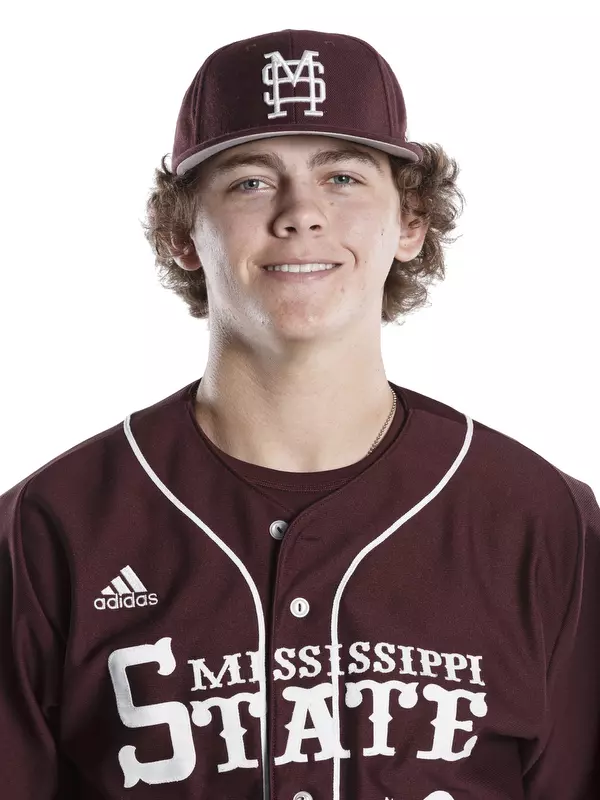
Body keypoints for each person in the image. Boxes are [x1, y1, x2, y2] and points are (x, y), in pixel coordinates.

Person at [0, 27, 599, 800]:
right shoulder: (50, 530)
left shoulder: (542, 520)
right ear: (185, 232)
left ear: (410, 224)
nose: (300, 214)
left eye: (343, 177)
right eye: (250, 181)